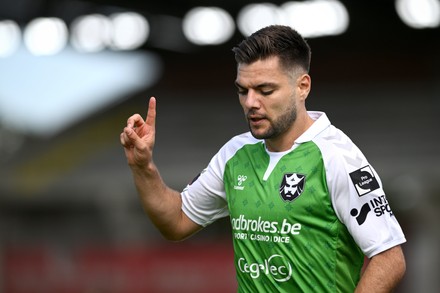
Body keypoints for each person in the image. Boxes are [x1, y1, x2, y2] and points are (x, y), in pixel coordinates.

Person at [120, 25, 406, 292]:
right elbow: (177, 221)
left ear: (302, 86)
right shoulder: (235, 153)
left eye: (265, 91)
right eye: (243, 91)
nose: (251, 103)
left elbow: (390, 257)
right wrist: (143, 167)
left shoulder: (336, 156)